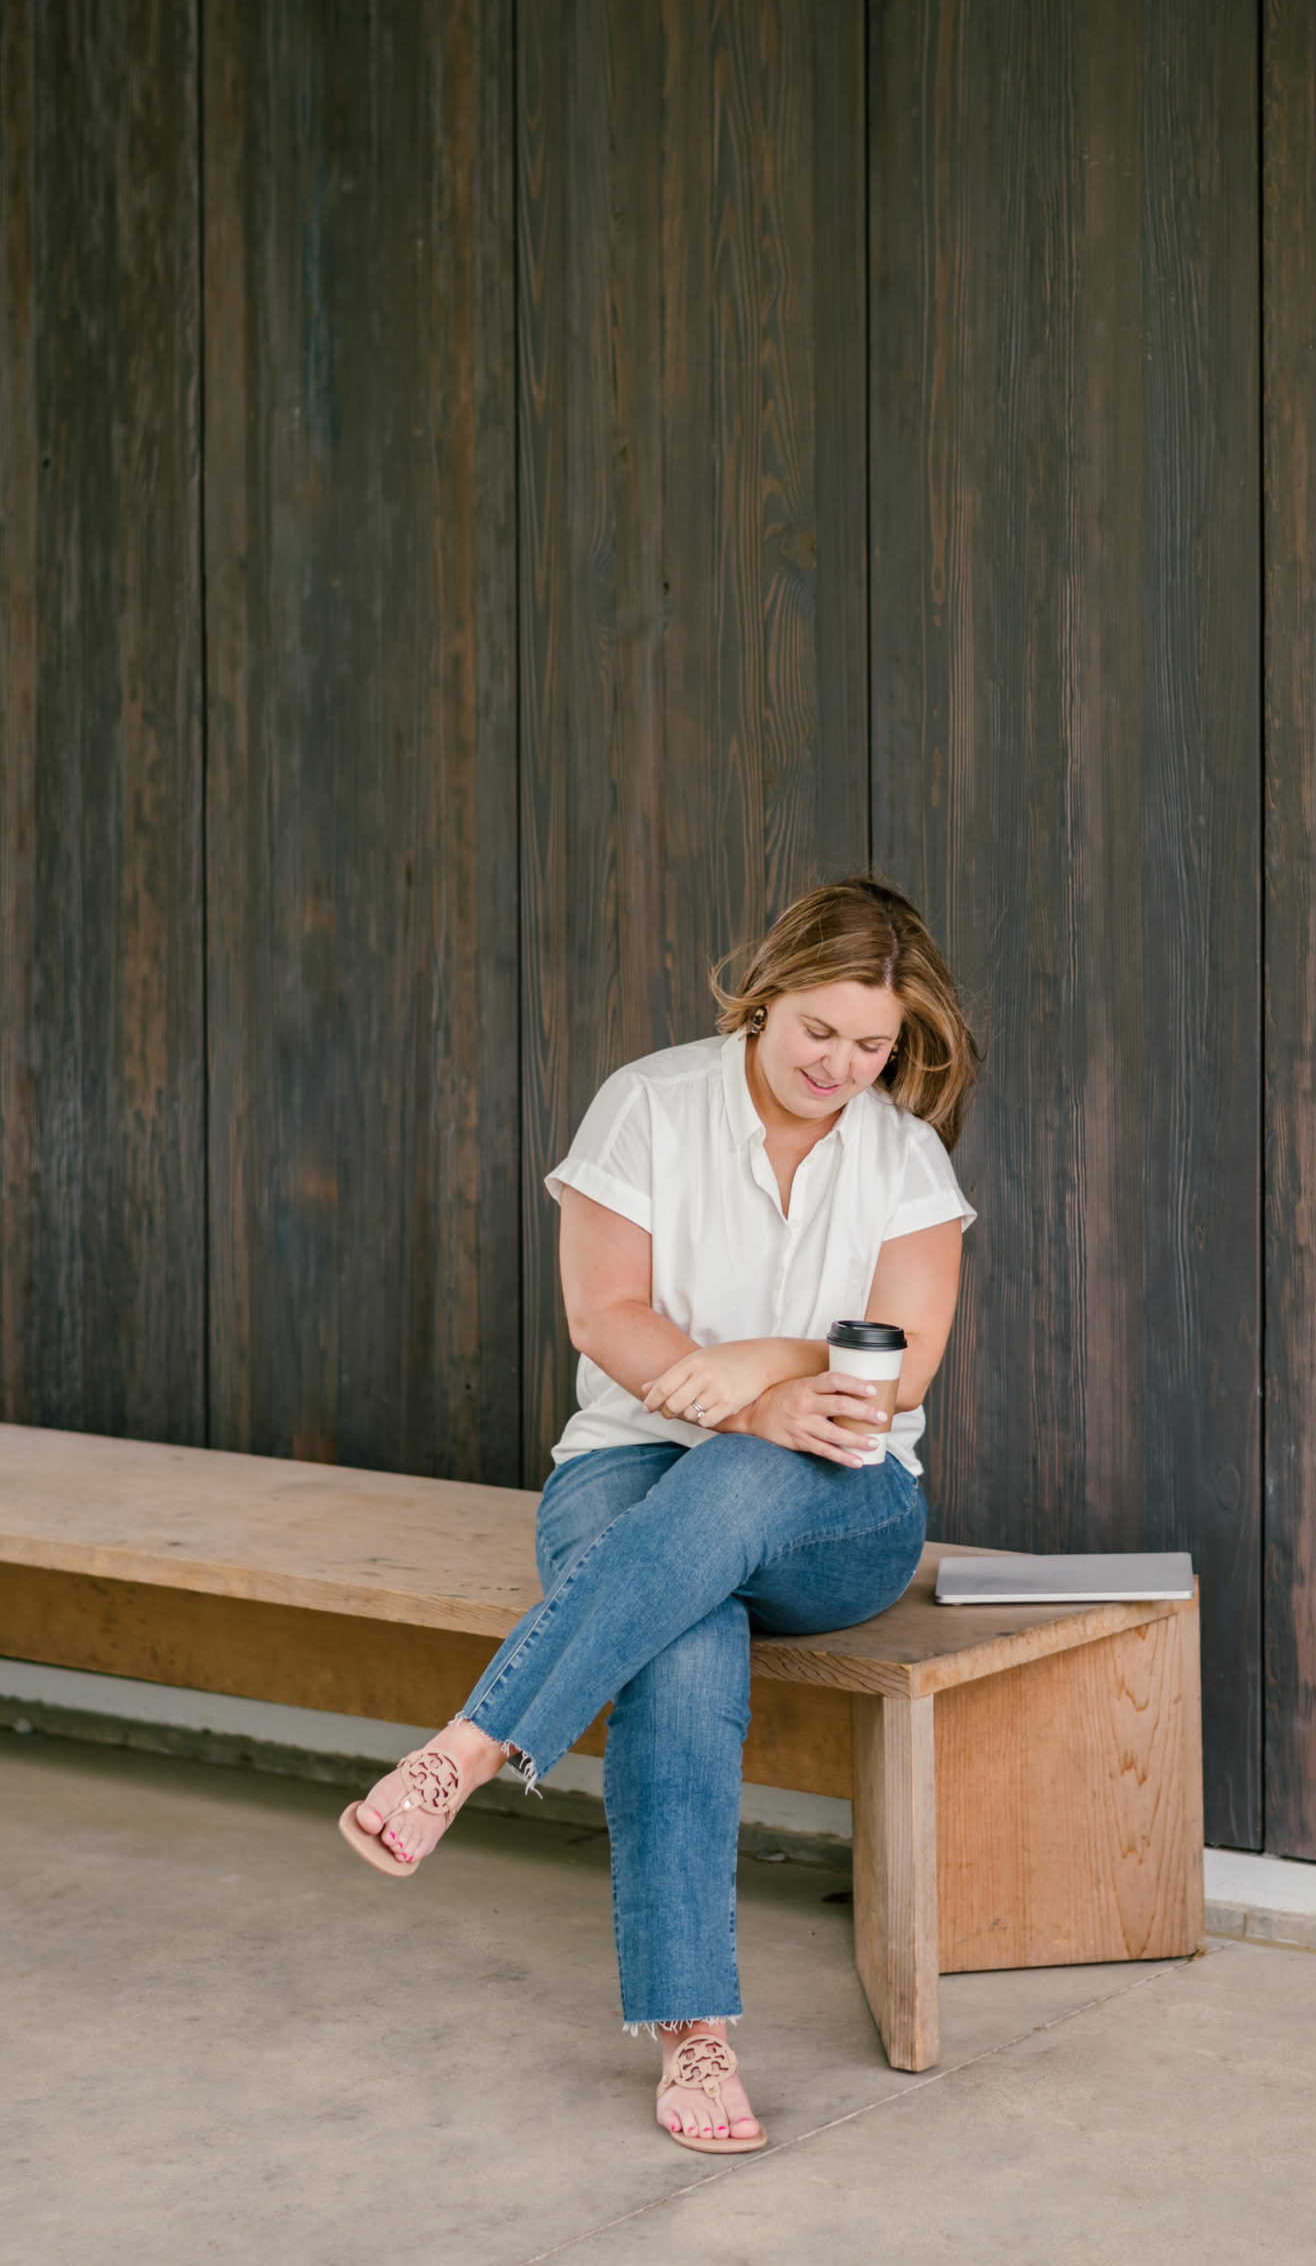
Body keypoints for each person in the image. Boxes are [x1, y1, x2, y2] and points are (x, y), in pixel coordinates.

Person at [339, 876, 980, 2152]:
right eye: (819, 1032)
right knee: (683, 1639)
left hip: (843, 1507)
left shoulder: (903, 1156)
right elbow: (608, 1319)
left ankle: (468, 1746)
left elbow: (895, 1373)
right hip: (627, 1468)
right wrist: (748, 1402)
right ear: (767, 990)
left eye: (872, 1045)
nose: (841, 1066)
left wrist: (754, 1369)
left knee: (745, 1480)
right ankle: (693, 2032)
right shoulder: (646, 1104)